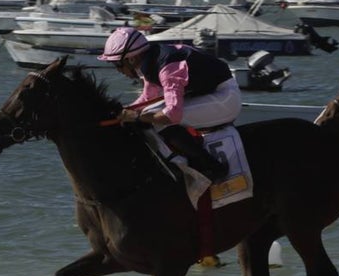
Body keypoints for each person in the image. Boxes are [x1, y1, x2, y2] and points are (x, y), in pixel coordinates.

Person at [97, 26, 241, 183]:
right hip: (209, 94)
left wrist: (136, 116)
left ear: (131, 59)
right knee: (151, 113)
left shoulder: (167, 68)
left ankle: (212, 166)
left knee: (158, 121)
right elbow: (147, 98)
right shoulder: (152, 61)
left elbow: (172, 114)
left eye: (117, 64)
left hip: (225, 98)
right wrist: (123, 112)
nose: (118, 71)